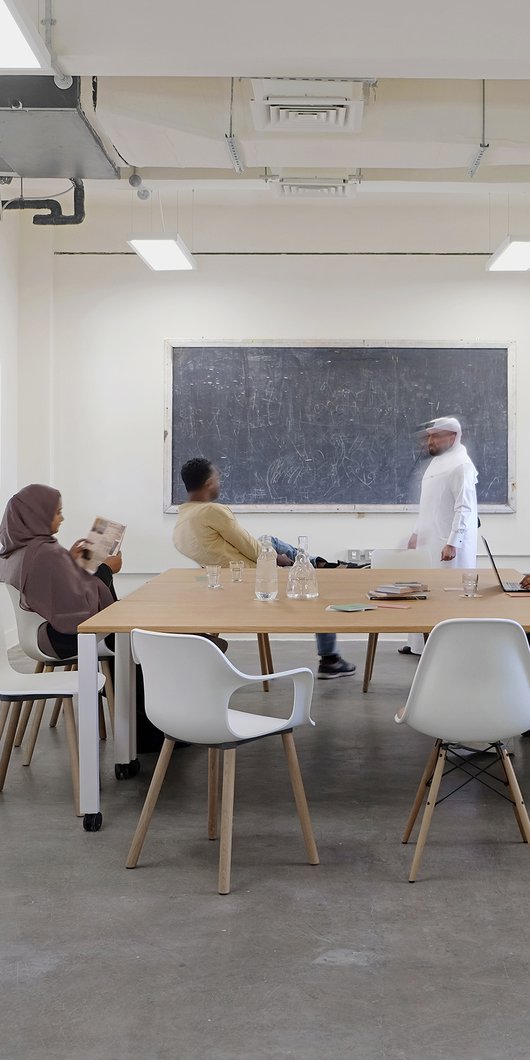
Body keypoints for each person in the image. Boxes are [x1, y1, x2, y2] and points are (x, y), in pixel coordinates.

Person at [0, 484, 166, 752]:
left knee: (126, 629)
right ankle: (148, 734)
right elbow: (80, 608)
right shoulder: (43, 552)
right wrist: (105, 570)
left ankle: (137, 719)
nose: (62, 519)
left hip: (38, 636)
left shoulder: (16, 551)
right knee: (134, 635)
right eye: (57, 513)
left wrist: (70, 560)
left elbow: (55, 589)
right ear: (37, 515)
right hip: (62, 637)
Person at [172, 458, 356, 679]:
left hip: (226, 581)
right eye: (218, 478)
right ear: (210, 482)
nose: (219, 482)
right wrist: (278, 559)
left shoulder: (181, 521)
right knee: (316, 584)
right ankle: (330, 659)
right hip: (255, 581)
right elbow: (251, 548)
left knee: (270, 540)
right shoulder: (212, 511)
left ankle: (317, 563)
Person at [401, 415, 478, 655]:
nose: (430, 441)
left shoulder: (461, 464)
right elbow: (429, 505)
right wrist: (416, 533)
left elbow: (463, 508)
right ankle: (420, 645)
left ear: (452, 437)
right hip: (428, 542)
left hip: (448, 546)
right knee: (424, 592)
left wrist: (453, 543)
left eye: (436, 436)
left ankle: (448, 649)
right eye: (429, 436)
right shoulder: (437, 463)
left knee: (447, 596)